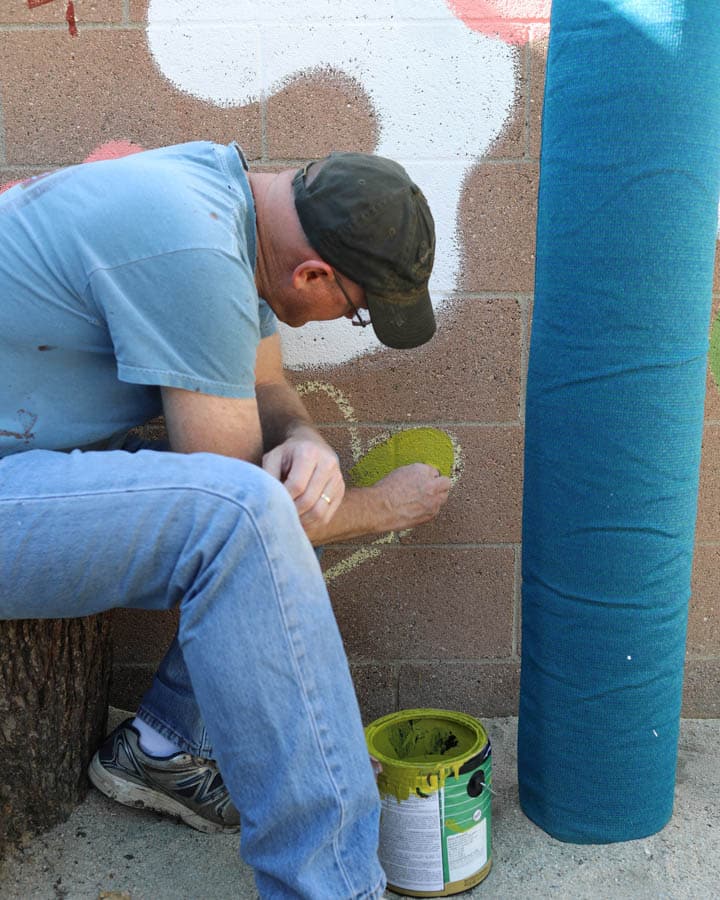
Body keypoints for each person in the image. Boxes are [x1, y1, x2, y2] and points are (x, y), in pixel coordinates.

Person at [0, 141, 451, 899]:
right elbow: (245, 510)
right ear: (313, 273)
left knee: (256, 505)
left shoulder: (221, 199)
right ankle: (336, 889)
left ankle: (164, 747)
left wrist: (306, 440)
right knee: (241, 523)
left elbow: (266, 385)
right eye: (357, 307)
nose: (348, 318)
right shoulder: (195, 249)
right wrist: (381, 508)